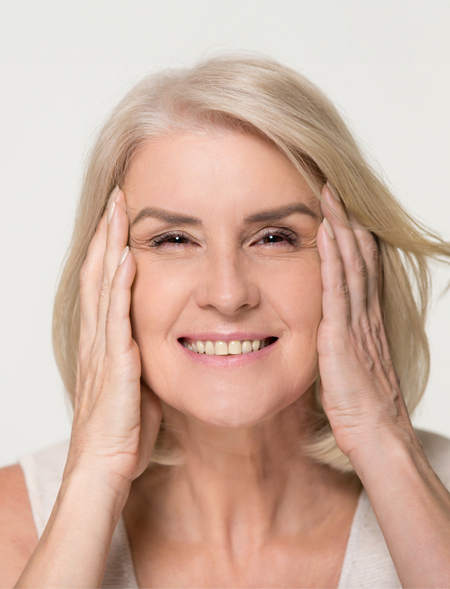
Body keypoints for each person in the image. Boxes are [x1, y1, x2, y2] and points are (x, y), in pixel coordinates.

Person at [1, 54, 450, 589]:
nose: (228, 293)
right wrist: (95, 470)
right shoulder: (14, 523)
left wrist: (383, 438)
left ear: (356, 262)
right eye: (174, 240)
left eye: (275, 237)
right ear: (103, 274)